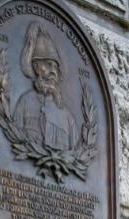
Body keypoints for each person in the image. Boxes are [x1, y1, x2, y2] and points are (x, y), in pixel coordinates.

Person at [13, 23, 78, 152]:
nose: (53, 71)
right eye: (48, 64)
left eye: (55, 67)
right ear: (36, 67)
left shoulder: (68, 118)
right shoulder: (24, 103)